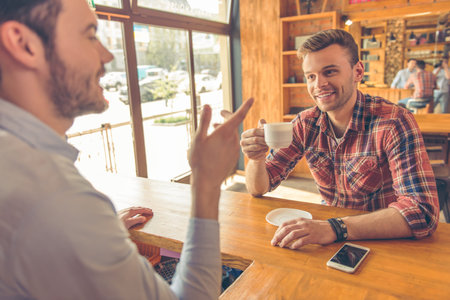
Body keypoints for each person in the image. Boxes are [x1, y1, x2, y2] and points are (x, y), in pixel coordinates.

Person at [0, 0, 254, 299]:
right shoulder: (56, 197)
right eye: (90, 34)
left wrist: (98, 233)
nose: (107, 55)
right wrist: (207, 183)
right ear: (24, 44)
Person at [240, 29, 439, 250]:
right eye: (311, 76)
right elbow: (258, 188)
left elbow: (423, 212)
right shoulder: (305, 123)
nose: (319, 84)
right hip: (329, 237)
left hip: (385, 240)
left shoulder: (394, 121)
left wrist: (335, 228)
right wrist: (256, 159)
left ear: (357, 71)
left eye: (330, 72)